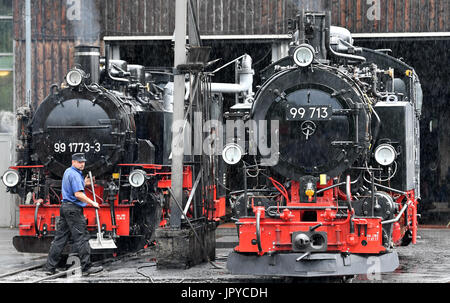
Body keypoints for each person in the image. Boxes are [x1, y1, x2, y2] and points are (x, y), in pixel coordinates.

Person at [44, 153, 103, 276]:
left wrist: (84, 183)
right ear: (73, 162)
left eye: (83, 162)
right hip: (74, 209)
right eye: (79, 162)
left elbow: (73, 186)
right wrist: (93, 203)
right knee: (82, 238)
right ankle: (86, 267)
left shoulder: (68, 172)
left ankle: (50, 267)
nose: (82, 164)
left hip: (65, 207)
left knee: (60, 238)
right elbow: (78, 194)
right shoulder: (75, 174)